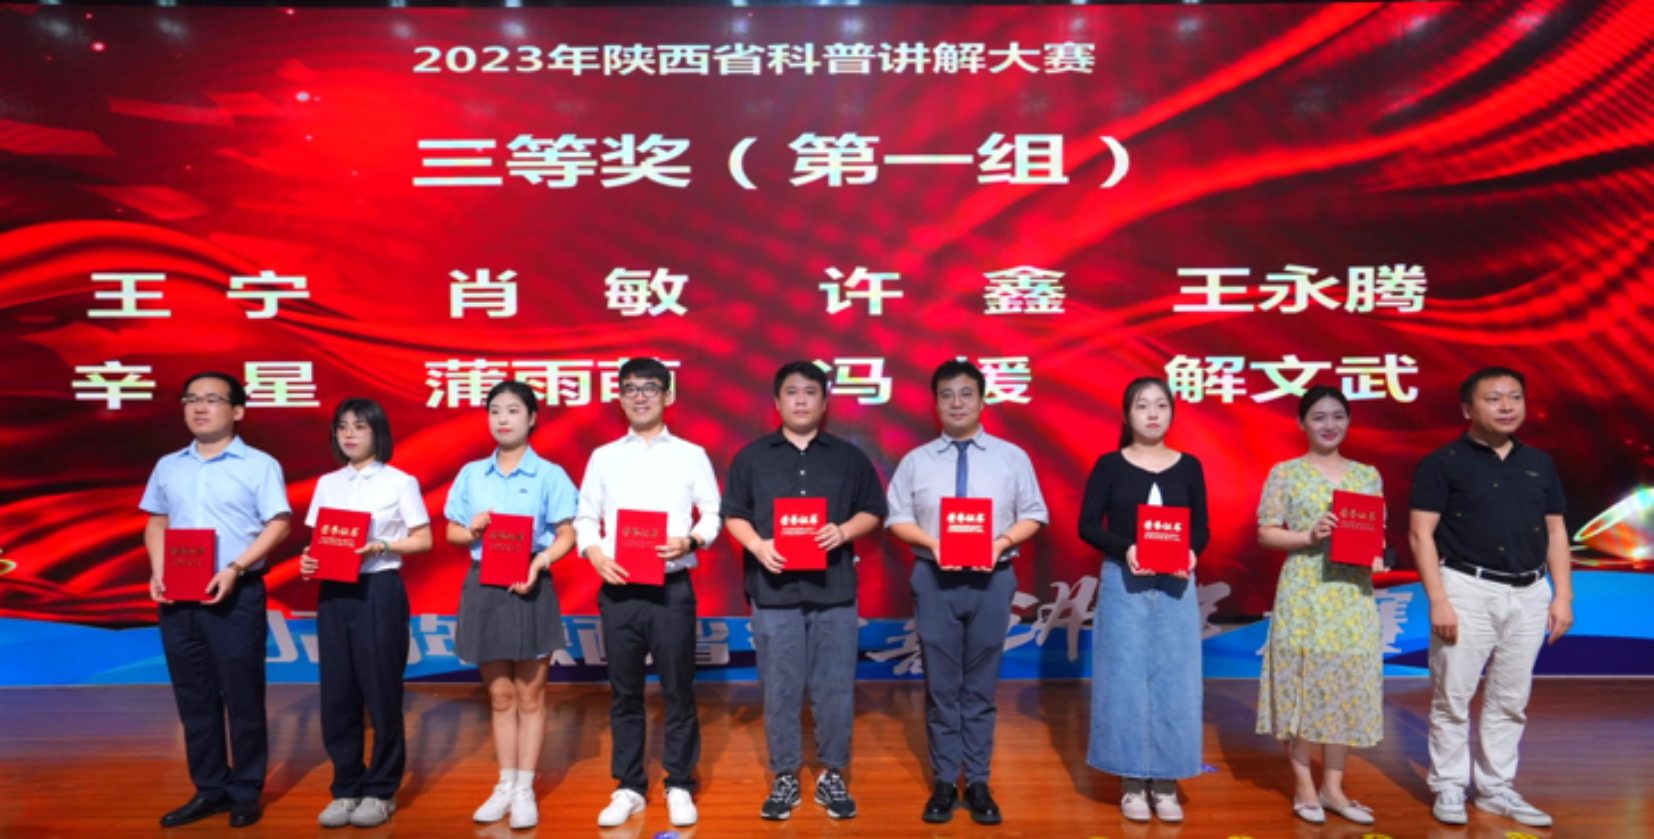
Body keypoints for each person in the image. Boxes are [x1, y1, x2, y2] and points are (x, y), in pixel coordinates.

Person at [886, 359, 1048, 826]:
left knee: (980, 685)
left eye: (966, 394)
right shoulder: (916, 460)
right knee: (941, 685)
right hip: (933, 578)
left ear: (982, 400)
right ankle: (943, 781)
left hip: (993, 579)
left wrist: (1000, 543)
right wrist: (933, 543)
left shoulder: (1012, 457)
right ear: (935, 402)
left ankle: (977, 781)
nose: (956, 403)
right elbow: (897, 517)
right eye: (946, 395)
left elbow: (1034, 513)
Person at [723, 361, 887, 821]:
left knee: (834, 689)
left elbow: (873, 510)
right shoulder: (751, 458)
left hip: (834, 592)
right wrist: (758, 546)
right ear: (777, 402)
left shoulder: (849, 458)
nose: (800, 400)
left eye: (810, 392)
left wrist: (844, 531)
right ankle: (786, 776)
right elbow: (733, 513)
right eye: (791, 392)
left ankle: (833, 773)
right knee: (779, 688)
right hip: (773, 592)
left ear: (824, 401)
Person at [1411, 367, 1573, 829]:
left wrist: (1562, 596)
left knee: (1510, 699)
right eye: (1494, 398)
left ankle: (1496, 789)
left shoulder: (1539, 462)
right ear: (1468, 409)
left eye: (1515, 397)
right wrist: (1438, 600)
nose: (1506, 406)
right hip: (1467, 587)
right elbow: (1421, 535)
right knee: (1453, 695)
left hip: (1530, 591)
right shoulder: (1442, 462)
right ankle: (1448, 785)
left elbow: (1556, 532)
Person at [576, 357, 722, 829]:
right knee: (624, 693)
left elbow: (713, 513)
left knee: (678, 690)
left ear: (668, 396)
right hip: (619, 588)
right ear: (620, 398)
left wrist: (691, 541)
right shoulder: (603, 457)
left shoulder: (691, 454)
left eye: (650, 388)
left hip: (671, 589)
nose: (640, 396)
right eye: (631, 389)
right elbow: (585, 517)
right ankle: (629, 786)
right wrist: (595, 554)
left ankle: (679, 782)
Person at [141, 372, 292, 829]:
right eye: (191, 399)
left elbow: (279, 523)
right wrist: (158, 568)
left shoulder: (259, 465)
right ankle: (209, 789)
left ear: (237, 410)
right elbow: (156, 522)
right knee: (194, 698)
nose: (199, 407)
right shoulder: (169, 465)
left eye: (211, 399)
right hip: (178, 595)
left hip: (235, 593)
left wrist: (236, 567)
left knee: (242, 697)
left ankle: (245, 790)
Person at [444, 381, 579, 830]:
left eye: (513, 410)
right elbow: (451, 532)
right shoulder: (471, 474)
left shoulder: (549, 474)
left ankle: (525, 789)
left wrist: (541, 562)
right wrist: (472, 529)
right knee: (500, 696)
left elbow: (567, 533)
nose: (503, 419)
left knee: (530, 695)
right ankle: (504, 784)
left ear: (532, 417)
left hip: (530, 583)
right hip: (484, 584)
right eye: (495, 410)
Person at [1078, 376, 1209, 824]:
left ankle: (1167, 781)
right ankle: (1132, 780)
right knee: (1123, 678)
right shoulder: (1110, 465)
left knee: (1176, 678)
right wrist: (1127, 549)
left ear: (1172, 412)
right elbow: (1087, 524)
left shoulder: (1189, 466)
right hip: (1124, 581)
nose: (1152, 413)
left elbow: (1201, 527)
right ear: (1126, 414)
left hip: (1176, 584)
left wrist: (1191, 552)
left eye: (1160, 405)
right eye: (1142, 405)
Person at [1254, 386, 1387, 825]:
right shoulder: (1286, 473)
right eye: (1318, 417)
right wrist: (1309, 536)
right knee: (1302, 684)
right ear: (1302, 423)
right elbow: (1266, 533)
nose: (1329, 425)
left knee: (1344, 686)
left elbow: (1376, 533)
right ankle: (1304, 788)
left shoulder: (1367, 475)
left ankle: (1333, 789)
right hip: (1305, 591)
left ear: (1348, 421)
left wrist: (1376, 554)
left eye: (1337, 416)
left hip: (1352, 594)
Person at [299, 398, 432, 828]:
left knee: (381, 691)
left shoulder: (400, 482)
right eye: (342, 427)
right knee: (337, 694)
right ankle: (346, 787)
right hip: (334, 592)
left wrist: (381, 546)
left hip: (379, 588)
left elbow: (423, 539)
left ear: (378, 432)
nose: (349, 434)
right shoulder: (328, 484)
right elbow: (319, 542)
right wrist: (309, 561)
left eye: (359, 426)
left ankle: (381, 789)